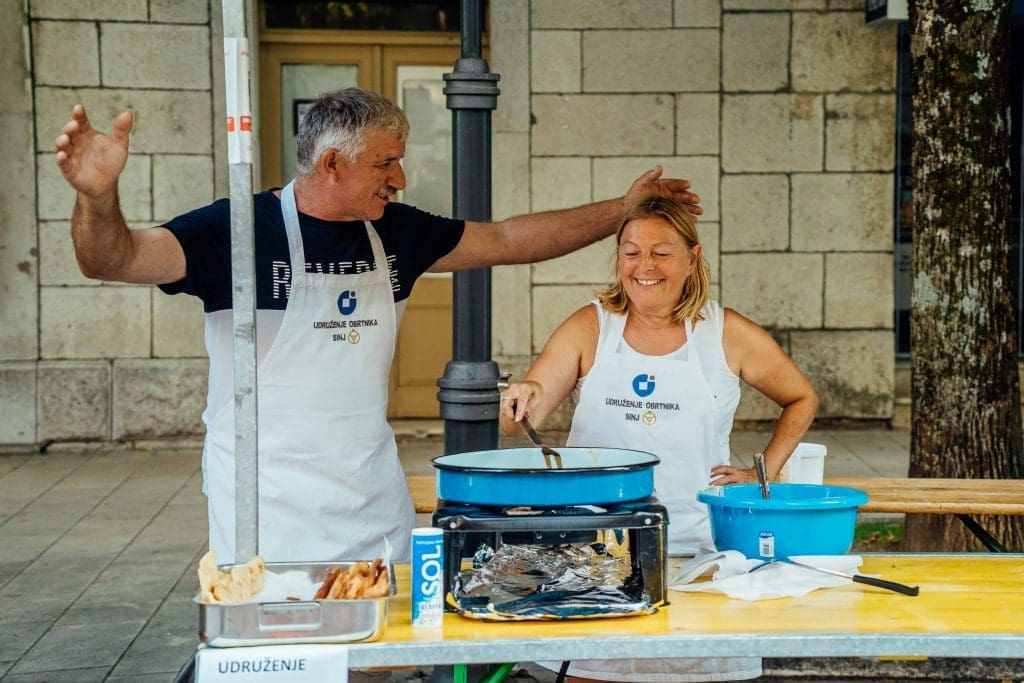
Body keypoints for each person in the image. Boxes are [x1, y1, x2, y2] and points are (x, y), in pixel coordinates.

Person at [53, 87, 703, 570]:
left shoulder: (394, 231)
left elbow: (508, 238)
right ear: (332, 164)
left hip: (369, 510)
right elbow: (115, 258)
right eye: (386, 163)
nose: (400, 178)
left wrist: (622, 209)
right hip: (268, 523)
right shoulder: (237, 231)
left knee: (376, 663)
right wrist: (96, 196)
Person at [499, 197, 819, 682]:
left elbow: (801, 397)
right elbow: (527, 410)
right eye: (631, 252)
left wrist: (764, 472)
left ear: (693, 258)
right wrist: (521, 398)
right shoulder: (592, 326)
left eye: (661, 252)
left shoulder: (724, 333)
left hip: (699, 555)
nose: (644, 266)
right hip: (596, 552)